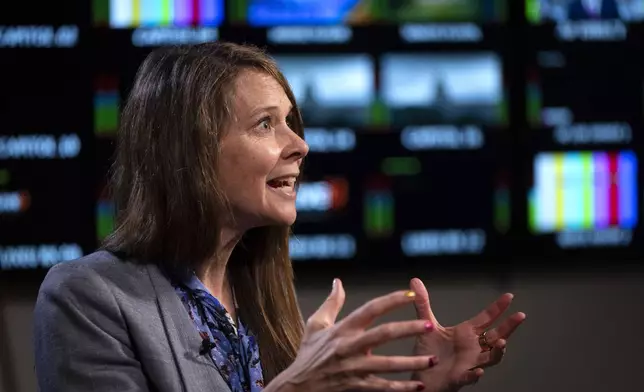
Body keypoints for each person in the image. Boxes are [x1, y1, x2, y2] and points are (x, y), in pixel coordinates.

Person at [33, 42, 525, 392]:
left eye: (291, 122)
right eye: (265, 124)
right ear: (190, 150)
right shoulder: (87, 297)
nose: (300, 145)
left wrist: (423, 387)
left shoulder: (258, 297)